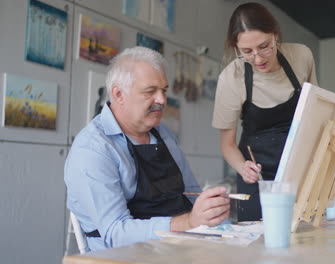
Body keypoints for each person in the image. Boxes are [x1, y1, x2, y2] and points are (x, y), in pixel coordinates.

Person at [65, 47, 230, 251]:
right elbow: (115, 234)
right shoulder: (93, 150)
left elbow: (191, 194)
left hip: (180, 247)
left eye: (164, 90)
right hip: (126, 257)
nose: (161, 100)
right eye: (150, 91)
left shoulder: (164, 134)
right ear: (118, 94)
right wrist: (188, 222)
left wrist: (211, 209)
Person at [212, 2, 318, 221]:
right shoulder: (231, 78)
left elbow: (315, 113)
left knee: (307, 236)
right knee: (255, 240)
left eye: (265, 46)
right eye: (247, 52)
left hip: (299, 168)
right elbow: (227, 144)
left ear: (275, 35)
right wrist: (243, 167)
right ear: (236, 48)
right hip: (256, 176)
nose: (258, 59)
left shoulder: (301, 57)